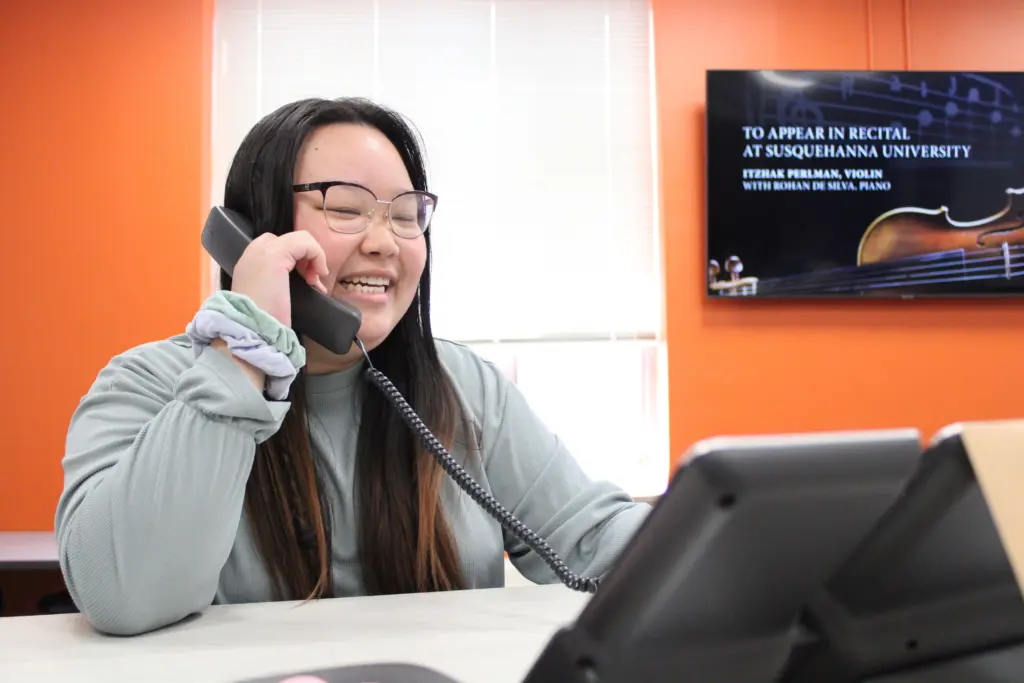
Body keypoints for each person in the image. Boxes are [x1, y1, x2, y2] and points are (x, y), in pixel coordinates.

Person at [54, 97, 652, 637]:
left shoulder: (465, 388)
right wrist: (243, 351)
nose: (385, 241)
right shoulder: (146, 384)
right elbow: (123, 597)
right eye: (346, 208)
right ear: (255, 234)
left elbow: (593, 542)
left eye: (405, 213)